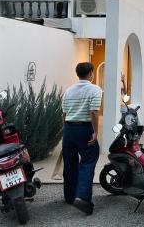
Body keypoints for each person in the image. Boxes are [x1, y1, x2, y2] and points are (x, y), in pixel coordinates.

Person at [62, 62, 102, 215]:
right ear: (91, 73)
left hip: (69, 129)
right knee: (88, 161)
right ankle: (83, 198)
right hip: (84, 129)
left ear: (77, 73)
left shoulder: (68, 91)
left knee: (70, 163)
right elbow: (93, 112)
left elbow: (64, 114)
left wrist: (65, 131)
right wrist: (95, 132)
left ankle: (70, 196)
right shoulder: (94, 89)